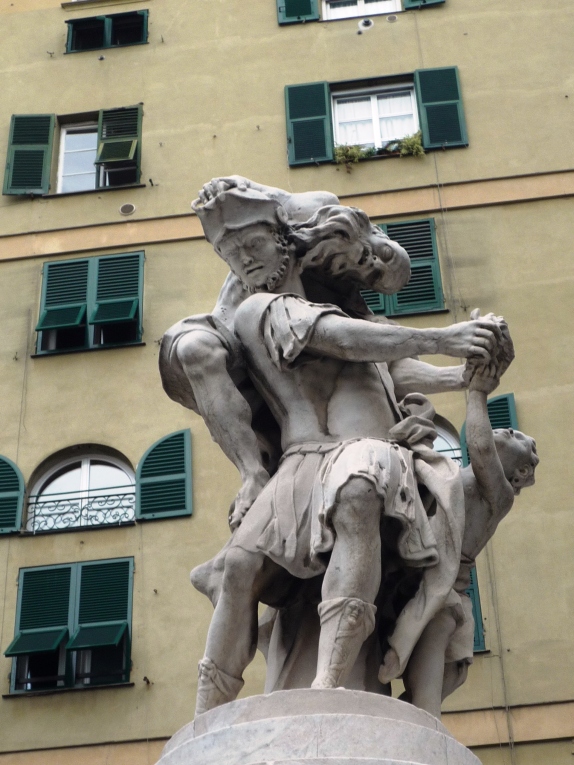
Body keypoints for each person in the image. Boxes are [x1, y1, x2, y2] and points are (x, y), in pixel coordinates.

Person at [188, 184, 503, 714]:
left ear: (287, 243)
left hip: (369, 451)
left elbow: (398, 367)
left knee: (357, 494)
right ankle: (207, 715)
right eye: (231, 253)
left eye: (253, 244)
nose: (245, 260)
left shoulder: (363, 323)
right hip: (303, 458)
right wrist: (444, 337)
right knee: (239, 567)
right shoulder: (260, 309)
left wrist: (472, 371)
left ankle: (330, 683)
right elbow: (339, 338)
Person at [397, 356, 538, 719]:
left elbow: (480, 447)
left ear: (520, 473)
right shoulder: (450, 474)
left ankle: (421, 717)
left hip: (444, 583)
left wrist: (477, 392)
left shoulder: (500, 495)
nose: (512, 431)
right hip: (416, 569)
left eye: (524, 442)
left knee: (444, 637)